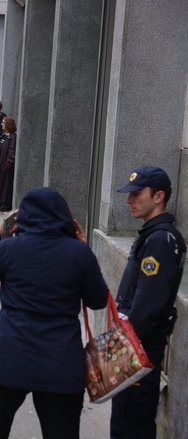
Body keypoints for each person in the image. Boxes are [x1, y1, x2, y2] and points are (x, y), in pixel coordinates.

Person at [0, 187, 108, 439]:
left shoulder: (8, 248)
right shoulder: (78, 253)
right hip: (60, 364)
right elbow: (98, 300)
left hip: (7, 358)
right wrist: (86, 251)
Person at [110, 166, 186, 439]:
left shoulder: (161, 240)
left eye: (136, 194)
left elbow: (146, 306)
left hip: (138, 350)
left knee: (130, 427)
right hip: (135, 346)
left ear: (159, 196)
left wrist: (118, 352)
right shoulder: (154, 235)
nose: (129, 200)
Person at [0, 117, 17, 211]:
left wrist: (8, 163)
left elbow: (12, 151)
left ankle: (5, 203)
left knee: (5, 185)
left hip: (5, 165)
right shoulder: (3, 135)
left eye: (3, 123)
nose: (2, 124)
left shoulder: (12, 137)